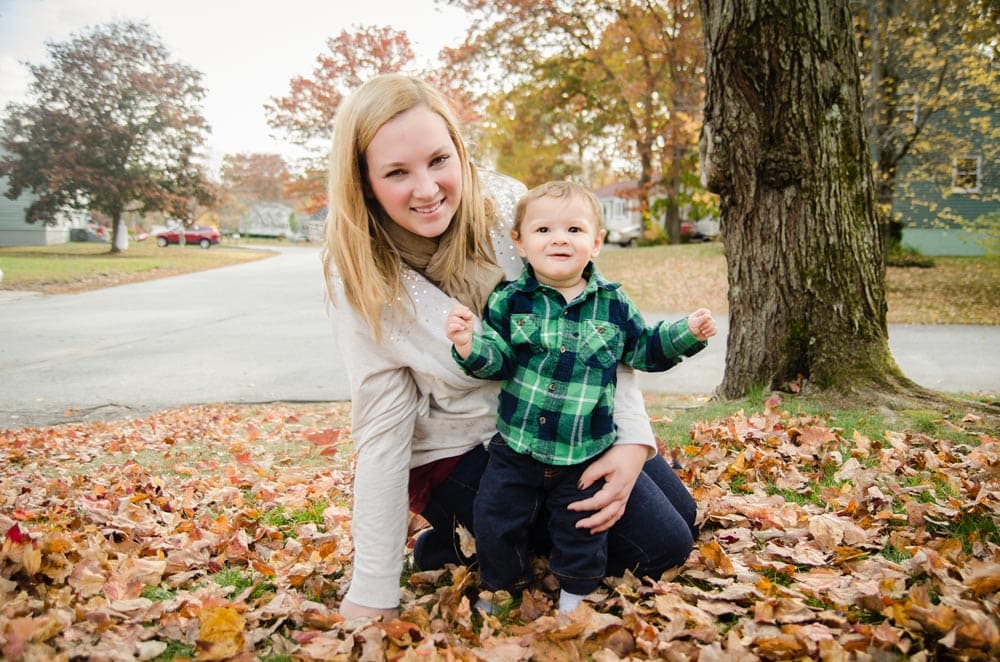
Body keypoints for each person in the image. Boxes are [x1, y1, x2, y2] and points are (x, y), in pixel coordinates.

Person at [323, 73, 704, 620]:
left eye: (439, 160)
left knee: (681, 516)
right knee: (659, 546)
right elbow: (383, 428)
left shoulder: (508, 209)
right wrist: (373, 590)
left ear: (459, 148)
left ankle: (459, 540)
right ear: (363, 181)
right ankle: (464, 530)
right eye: (397, 172)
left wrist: (630, 442)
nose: (428, 189)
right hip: (457, 448)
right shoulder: (357, 274)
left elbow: (596, 326)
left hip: (556, 416)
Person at [445, 181, 716, 612]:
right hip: (518, 448)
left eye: (573, 229)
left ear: (596, 243)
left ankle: (576, 592)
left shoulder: (613, 305)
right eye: (544, 231)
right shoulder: (509, 302)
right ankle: (501, 588)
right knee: (496, 519)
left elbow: (643, 350)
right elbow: (497, 361)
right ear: (519, 243)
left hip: (583, 449)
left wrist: (685, 333)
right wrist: (467, 344)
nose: (558, 239)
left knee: (582, 524)